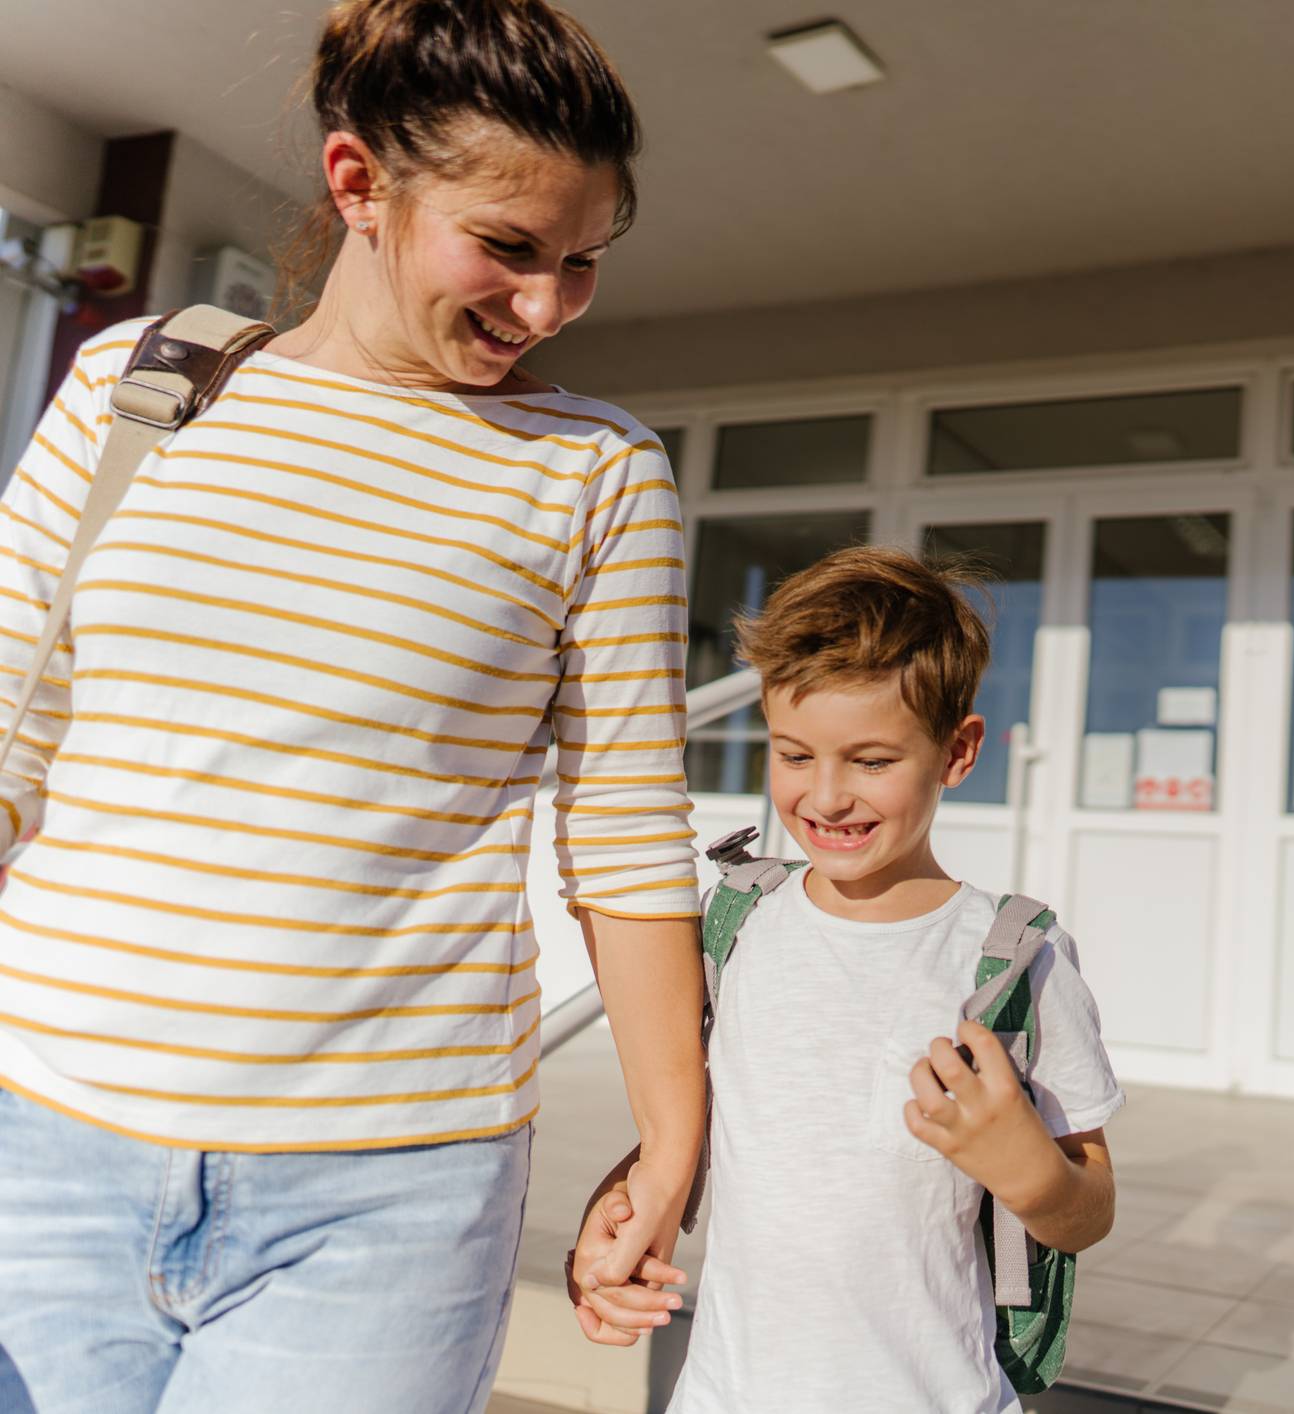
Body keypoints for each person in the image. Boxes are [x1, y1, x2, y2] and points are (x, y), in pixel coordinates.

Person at [0, 3, 706, 1410]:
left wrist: (672, 1135)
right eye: (508, 247)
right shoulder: (140, 388)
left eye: (583, 262)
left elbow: (624, 832)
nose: (548, 303)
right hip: (39, 1146)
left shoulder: (593, 473)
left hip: (387, 1191)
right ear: (359, 184)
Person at [569, 545, 1124, 1413]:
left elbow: (1087, 1210)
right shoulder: (737, 924)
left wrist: (1029, 1172)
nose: (824, 798)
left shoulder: (1017, 957)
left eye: (870, 762)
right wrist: (620, 1199)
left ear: (958, 750)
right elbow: (693, 1126)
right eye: (793, 756)